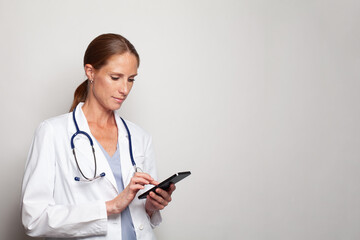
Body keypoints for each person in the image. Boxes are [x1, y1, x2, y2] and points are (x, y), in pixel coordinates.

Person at [21, 33, 176, 240]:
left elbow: (140, 218)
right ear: (90, 72)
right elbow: (34, 220)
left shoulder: (140, 137)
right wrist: (110, 207)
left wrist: (150, 205)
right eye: (115, 77)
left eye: (131, 80)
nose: (125, 89)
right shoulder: (52, 133)